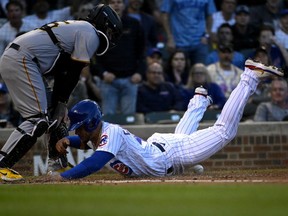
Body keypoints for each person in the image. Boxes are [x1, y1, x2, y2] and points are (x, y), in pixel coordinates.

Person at [43, 59, 283, 181]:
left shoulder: (109, 134)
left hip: (171, 155)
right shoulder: (99, 134)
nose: (80, 133)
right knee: (184, 138)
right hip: (163, 151)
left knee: (224, 132)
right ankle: (199, 100)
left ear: (92, 124)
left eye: (81, 128)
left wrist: (62, 177)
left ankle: (249, 76)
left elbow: (93, 164)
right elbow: (85, 142)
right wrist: (69, 140)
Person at [0, 4, 123, 181]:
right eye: (111, 33)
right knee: (37, 119)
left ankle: (57, 165)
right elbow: (74, 72)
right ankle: (2, 164)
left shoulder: (78, 29)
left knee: (56, 118)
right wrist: (61, 103)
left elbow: (63, 74)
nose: (110, 38)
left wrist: (59, 105)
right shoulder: (90, 32)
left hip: (24, 59)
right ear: (104, 23)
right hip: (22, 59)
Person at [93, 0, 145, 115]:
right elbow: (94, 56)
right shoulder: (100, 26)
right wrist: (103, 73)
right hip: (108, 81)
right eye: (112, 2)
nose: (116, 5)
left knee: (129, 119)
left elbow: (142, 52)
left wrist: (140, 73)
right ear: (107, 5)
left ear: (124, 5)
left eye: (119, 2)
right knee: (108, 119)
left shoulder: (134, 24)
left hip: (130, 79)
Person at [160, 0, 216, 65]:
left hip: (200, 42)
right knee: (178, 71)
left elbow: (211, 16)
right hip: (178, 41)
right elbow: (164, 15)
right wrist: (170, 37)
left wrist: (207, 35)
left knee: (200, 71)